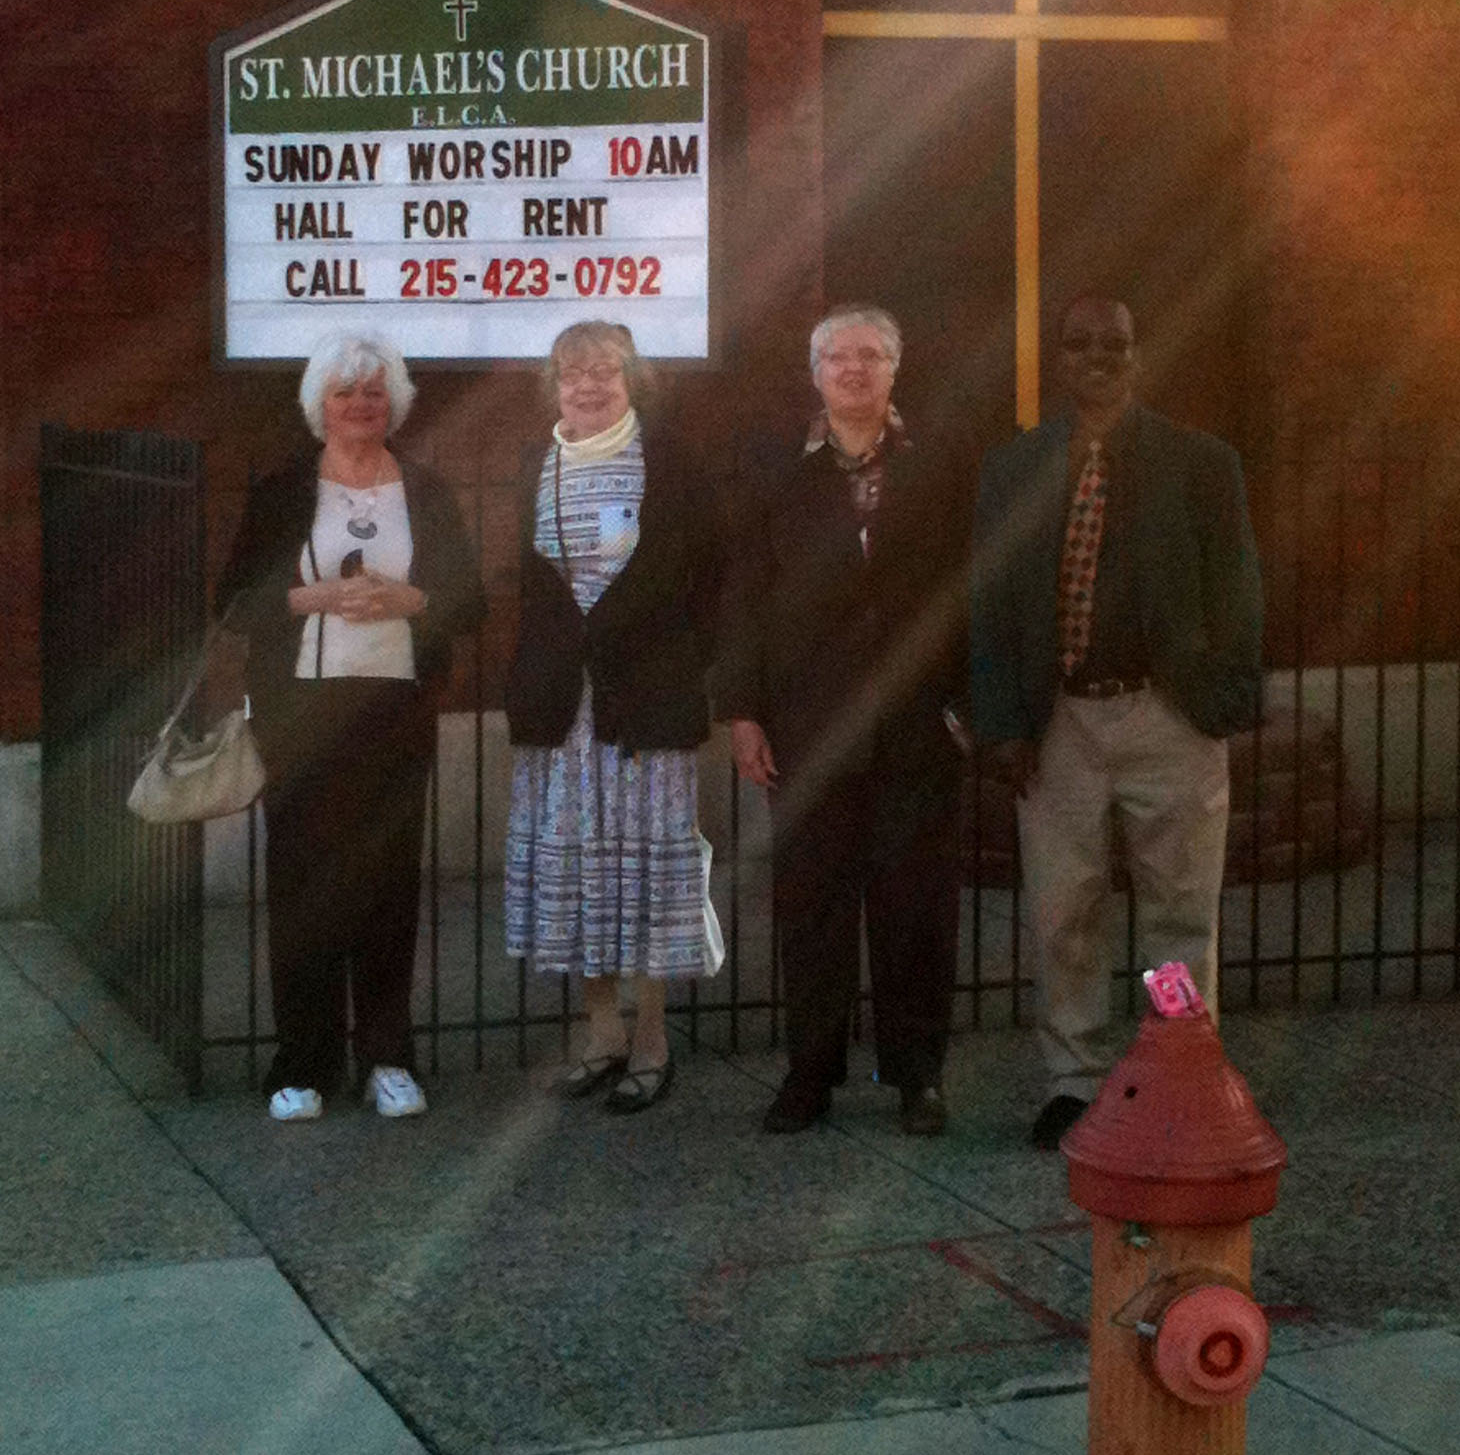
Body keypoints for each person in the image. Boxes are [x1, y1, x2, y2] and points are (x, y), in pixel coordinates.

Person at [970, 293, 1263, 1150]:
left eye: (1116, 343)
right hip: (1058, 718)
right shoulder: (1014, 468)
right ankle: (1074, 1080)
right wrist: (1002, 721)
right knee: (1064, 911)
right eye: (1081, 343)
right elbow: (988, 600)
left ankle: (1182, 1076)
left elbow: (1238, 588)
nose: (1098, 356)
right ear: (1060, 359)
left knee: (1180, 913)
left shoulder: (1201, 463)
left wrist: (1220, 701)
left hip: (1167, 714)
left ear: (1138, 357)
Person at [216, 332, 483, 1122]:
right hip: (301, 711)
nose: (361, 405)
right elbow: (233, 602)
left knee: (388, 886)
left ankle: (387, 1058)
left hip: (394, 709)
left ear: (393, 403)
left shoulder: (426, 490)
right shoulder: (282, 491)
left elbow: (469, 599)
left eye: (373, 392)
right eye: (344, 392)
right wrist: (312, 599)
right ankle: (302, 1063)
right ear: (318, 405)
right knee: (302, 885)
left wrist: (416, 601)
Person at [717, 306, 970, 1136]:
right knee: (812, 909)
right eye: (837, 357)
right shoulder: (774, 467)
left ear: (895, 371)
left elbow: (972, 586)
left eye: (870, 356)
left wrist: (966, 705)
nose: (853, 369)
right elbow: (745, 595)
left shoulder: (940, 463)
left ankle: (917, 1075)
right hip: (807, 724)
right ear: (815, 373)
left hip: (915, 723)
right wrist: (743, 711)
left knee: (916, 909)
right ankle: (810, 1073)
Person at [504, 320, 721, 1114]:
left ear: (634, 380)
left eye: (604, 371)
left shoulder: (672, 464)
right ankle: (601, 1033)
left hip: (647, 704)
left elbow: (708, 579)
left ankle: (654, 1041)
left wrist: (684, 666)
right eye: (572, 373)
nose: (588, 385)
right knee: (576, 867)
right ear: (553, 385)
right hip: (562, 710)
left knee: (650, 873)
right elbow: (532, 591)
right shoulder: (539, 462)